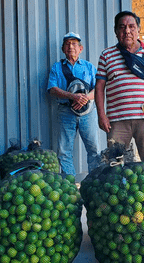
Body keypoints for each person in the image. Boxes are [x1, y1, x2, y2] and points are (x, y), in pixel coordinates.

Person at [94, 11, 144, 163]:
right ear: (116, 32)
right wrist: (101, 115)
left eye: (131, 27)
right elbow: (99, 87)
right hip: (117, 120)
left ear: (138, 30)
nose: (127, 31)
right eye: (122, 27)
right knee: (114, 163)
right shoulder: (107, 55)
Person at [47, 32, 99, 176]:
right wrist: (72, 96)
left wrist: (85, 98)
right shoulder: (57, 68)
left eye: (74, 44)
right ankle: (69, 185)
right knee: (64, 151)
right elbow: (52, 89)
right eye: (67, 44)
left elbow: (99, 88)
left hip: (88, 114)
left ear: (80, 48)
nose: (71, 47)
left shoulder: (89, 67)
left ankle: (94, 181)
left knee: (93, 149)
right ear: (63, 49)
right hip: (66, 112)